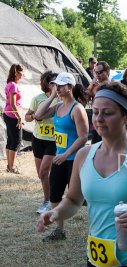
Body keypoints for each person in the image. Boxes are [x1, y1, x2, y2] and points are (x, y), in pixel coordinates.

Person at [37, 81, 127, 267]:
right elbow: (73, 200)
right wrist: (56, 212)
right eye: (95, 112)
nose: (98, 119)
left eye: (107, 113)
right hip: (98, 258)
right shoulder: (83, 155)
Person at [35, 72, 89, 241]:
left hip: (74, 160)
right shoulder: (58, 106)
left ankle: (97, 227)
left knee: (85, 197)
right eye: (55, 85)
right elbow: (38, 115)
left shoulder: (77, 109)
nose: (56, 88)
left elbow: (83, 136)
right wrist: (51, 96)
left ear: (70, 87)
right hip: (59, 159)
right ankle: (60, 230)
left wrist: (67, 154)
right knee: (55, 195)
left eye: (59, 85)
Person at [25, 71, 59, 214]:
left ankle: (49, 201)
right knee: (41, 174)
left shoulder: (61, 99)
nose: (56, 85)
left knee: (45, 170)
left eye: (58, 82)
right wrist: (33, 116)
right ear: (47, 83)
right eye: (53, 82)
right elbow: (27, 117)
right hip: (38, 139)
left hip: (53, 140)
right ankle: (48, 199)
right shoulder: (37, 98)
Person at [3, 64, 24, 174]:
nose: (23, 75)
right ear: (16, 73)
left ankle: (9, 166)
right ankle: (12, 167)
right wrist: (19, 117)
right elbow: (12, 104)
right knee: (16, 141)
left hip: (8, 114)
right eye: (22, 72)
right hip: (13, 115)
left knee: (10, 140)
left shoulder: (10, 84)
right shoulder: (13, 86)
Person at [88, 61, 111, 144]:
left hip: (109, 125)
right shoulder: (94, 87)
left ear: (107, 71)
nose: (97, 75)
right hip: (96, 125)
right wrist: (91, 85)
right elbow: (84, 99)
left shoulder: (113, 86)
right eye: (96, 72)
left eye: (100, 72)